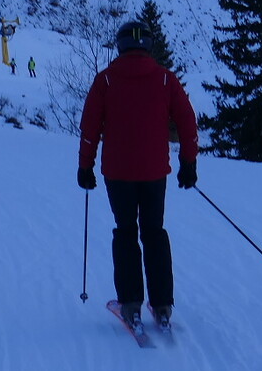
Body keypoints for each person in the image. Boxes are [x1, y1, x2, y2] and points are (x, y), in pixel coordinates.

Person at [78, 21, 198, 329]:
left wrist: (85, 166)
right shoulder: (165, 79)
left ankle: (131, 304)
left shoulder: (106, 80)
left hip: (117, 173)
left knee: (126, 232)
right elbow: (187, 122)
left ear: (120, 46)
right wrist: (188, 163)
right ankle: (162, 306)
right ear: (148, 45)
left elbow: (90, 128)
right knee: (154, 232)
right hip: (154, 172)